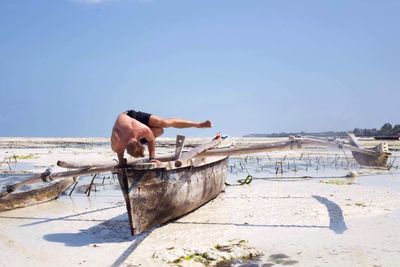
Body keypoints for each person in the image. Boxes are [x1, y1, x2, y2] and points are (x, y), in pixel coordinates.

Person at [111, 110, 211, 164]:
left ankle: (198, 124)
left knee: (163, 123)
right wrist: (121, 163)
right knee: (160, 131)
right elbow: (119, 152)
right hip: (125, 123)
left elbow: (151, 139)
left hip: (132, 116)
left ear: (138, 140)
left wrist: (152, 158)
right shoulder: (116, 142)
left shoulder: (142, 129)